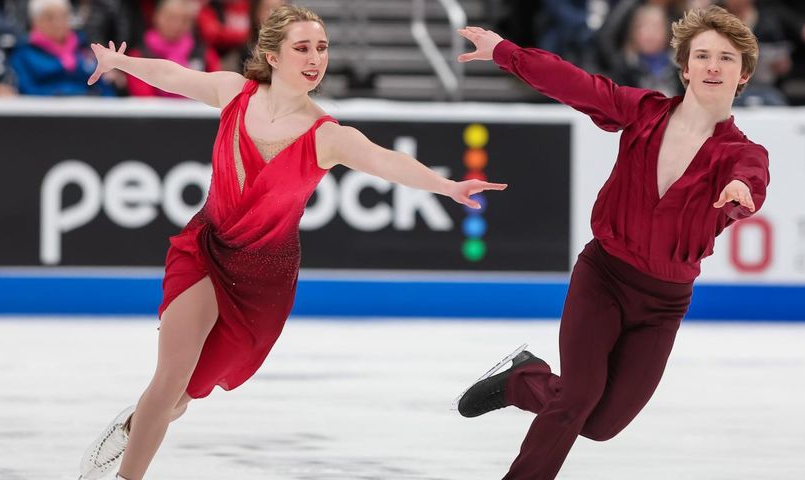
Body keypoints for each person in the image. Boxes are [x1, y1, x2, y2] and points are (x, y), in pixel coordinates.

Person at [75, 5, 507, 480]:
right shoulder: (234, 94)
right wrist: (123, 63)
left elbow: (386, 161)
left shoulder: (327, 135)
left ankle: (136, 424)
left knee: (181, 397)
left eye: (321, 48)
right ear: (272, 56)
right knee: (169, 379)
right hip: (207, 248)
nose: (315, 58)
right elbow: (175, 75)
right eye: (302, 48)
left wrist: (447, 187)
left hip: (262, 280)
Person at [454, 6, 769, 479]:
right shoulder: (642, 112)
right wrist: (505, 51)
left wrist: (741, 194)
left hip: (662, 305)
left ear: (743, 74)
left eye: (726, 58)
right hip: (603, 275)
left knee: (600, 425)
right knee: (576, 400)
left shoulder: (741, 154)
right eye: (702, 55)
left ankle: (523, 379)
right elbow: (573, 82)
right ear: (684, 67)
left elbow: (752, 182)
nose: (712, 66)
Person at [10, 0, 114, 96]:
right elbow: (27, 90)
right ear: (35, 22)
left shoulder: (84, 48)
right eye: (49, 18)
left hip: (89, 110)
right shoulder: (23, 54)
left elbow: (104, 87)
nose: (58, 23)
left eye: (63, 16)